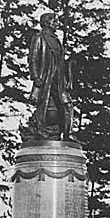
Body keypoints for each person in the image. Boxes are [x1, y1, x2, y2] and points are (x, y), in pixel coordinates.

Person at [24, 12, 76, 142]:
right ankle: (40, 130)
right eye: (55, 21)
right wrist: (35, 77)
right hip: (46, 78)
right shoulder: (39, 38)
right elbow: (34, 59)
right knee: (44, 106)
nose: (57, 23)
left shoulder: (56, 40)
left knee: (67, 104)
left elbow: (60, 61)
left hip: (58, 80)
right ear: (47, 22)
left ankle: (68, 134)